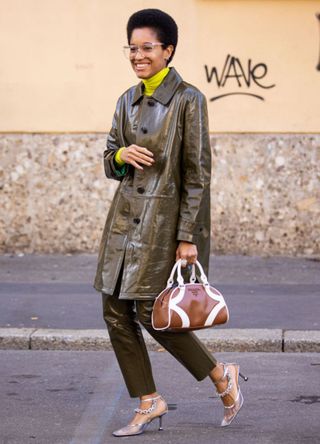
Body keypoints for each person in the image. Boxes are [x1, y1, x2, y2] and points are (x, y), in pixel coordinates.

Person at [94, 8, 247, 438]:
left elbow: (198, 173)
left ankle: (221, 375)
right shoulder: (126, 99)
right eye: (132, 48)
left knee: (151, 312)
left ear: (168, 50)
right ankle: (149, 400)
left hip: (164, 226)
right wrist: (120, 157)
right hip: (124, 224)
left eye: (147, 48)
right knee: (114, 311)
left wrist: (187, 237)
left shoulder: (189, 100)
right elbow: (110, 158)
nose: (137, 55)